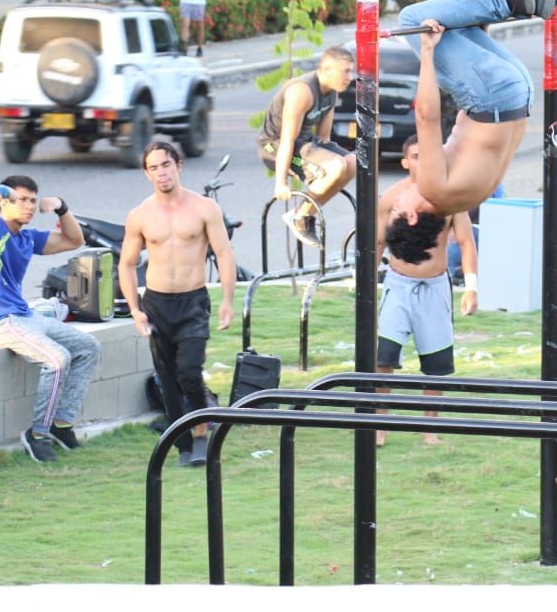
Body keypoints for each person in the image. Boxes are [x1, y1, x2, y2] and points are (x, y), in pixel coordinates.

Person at [391, 0, 557, 219]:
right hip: (492, 97)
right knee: (410, 19)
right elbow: (426, 118)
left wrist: (480, 35)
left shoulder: (461, 199)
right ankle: (506, 0)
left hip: (518, 93)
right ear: (412, 217)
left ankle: (531, 2)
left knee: (453, 23)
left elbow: (480, 149)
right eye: (397, 208)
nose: (395, 199)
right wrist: (427, 51)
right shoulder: (434, 190)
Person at [0, 175, 100, 463]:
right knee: (57, 359)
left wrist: (62, 208)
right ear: (4, 203)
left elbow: (74, 240)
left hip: (26, 317)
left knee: (89, 347)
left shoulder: (27, 238)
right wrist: (2, 189)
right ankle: (38, 433)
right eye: (21, 200)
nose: (28, 207)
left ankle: (61, 424)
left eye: (32, 201)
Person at [119, 141, 236, 467]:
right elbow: (126, 264)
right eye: (154, 167)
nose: (161, 172)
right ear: (146, 173)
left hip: (192, 302)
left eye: (166, 165)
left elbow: (224, 254)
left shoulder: (204, 208)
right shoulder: (140, 215)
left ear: (178, 166)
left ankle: (201, 432)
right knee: (167, 377)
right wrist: (134, 308)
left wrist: (228, 300)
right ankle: (183, 444)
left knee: (188, 371)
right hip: (156, 302)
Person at [374, 135, 478, 446]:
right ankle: (379, 425)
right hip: (398, 285)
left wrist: (471, 287)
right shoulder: (391, 199)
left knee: (436, 363)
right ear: (405, 161)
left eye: (428, 156)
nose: (423, 161)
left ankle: (429, 429)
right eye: (416, 156)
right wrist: (361, 290)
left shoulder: (449, 199)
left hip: (434, 288)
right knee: (384, 357)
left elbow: (466, 242)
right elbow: (375, 245)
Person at [257, 46, 357, 248]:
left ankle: (306, 213)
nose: (350, 77)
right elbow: (286, 140)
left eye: (351, 71)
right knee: (336, 166)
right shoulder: (301, 91)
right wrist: (281, 181)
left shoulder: (332, 93)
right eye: (345, 71)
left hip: (301, 144)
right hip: (274, 147)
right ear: (327, 70)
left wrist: (330, 167)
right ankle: (300, 217)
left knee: (352, 163)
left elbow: (323, 139)